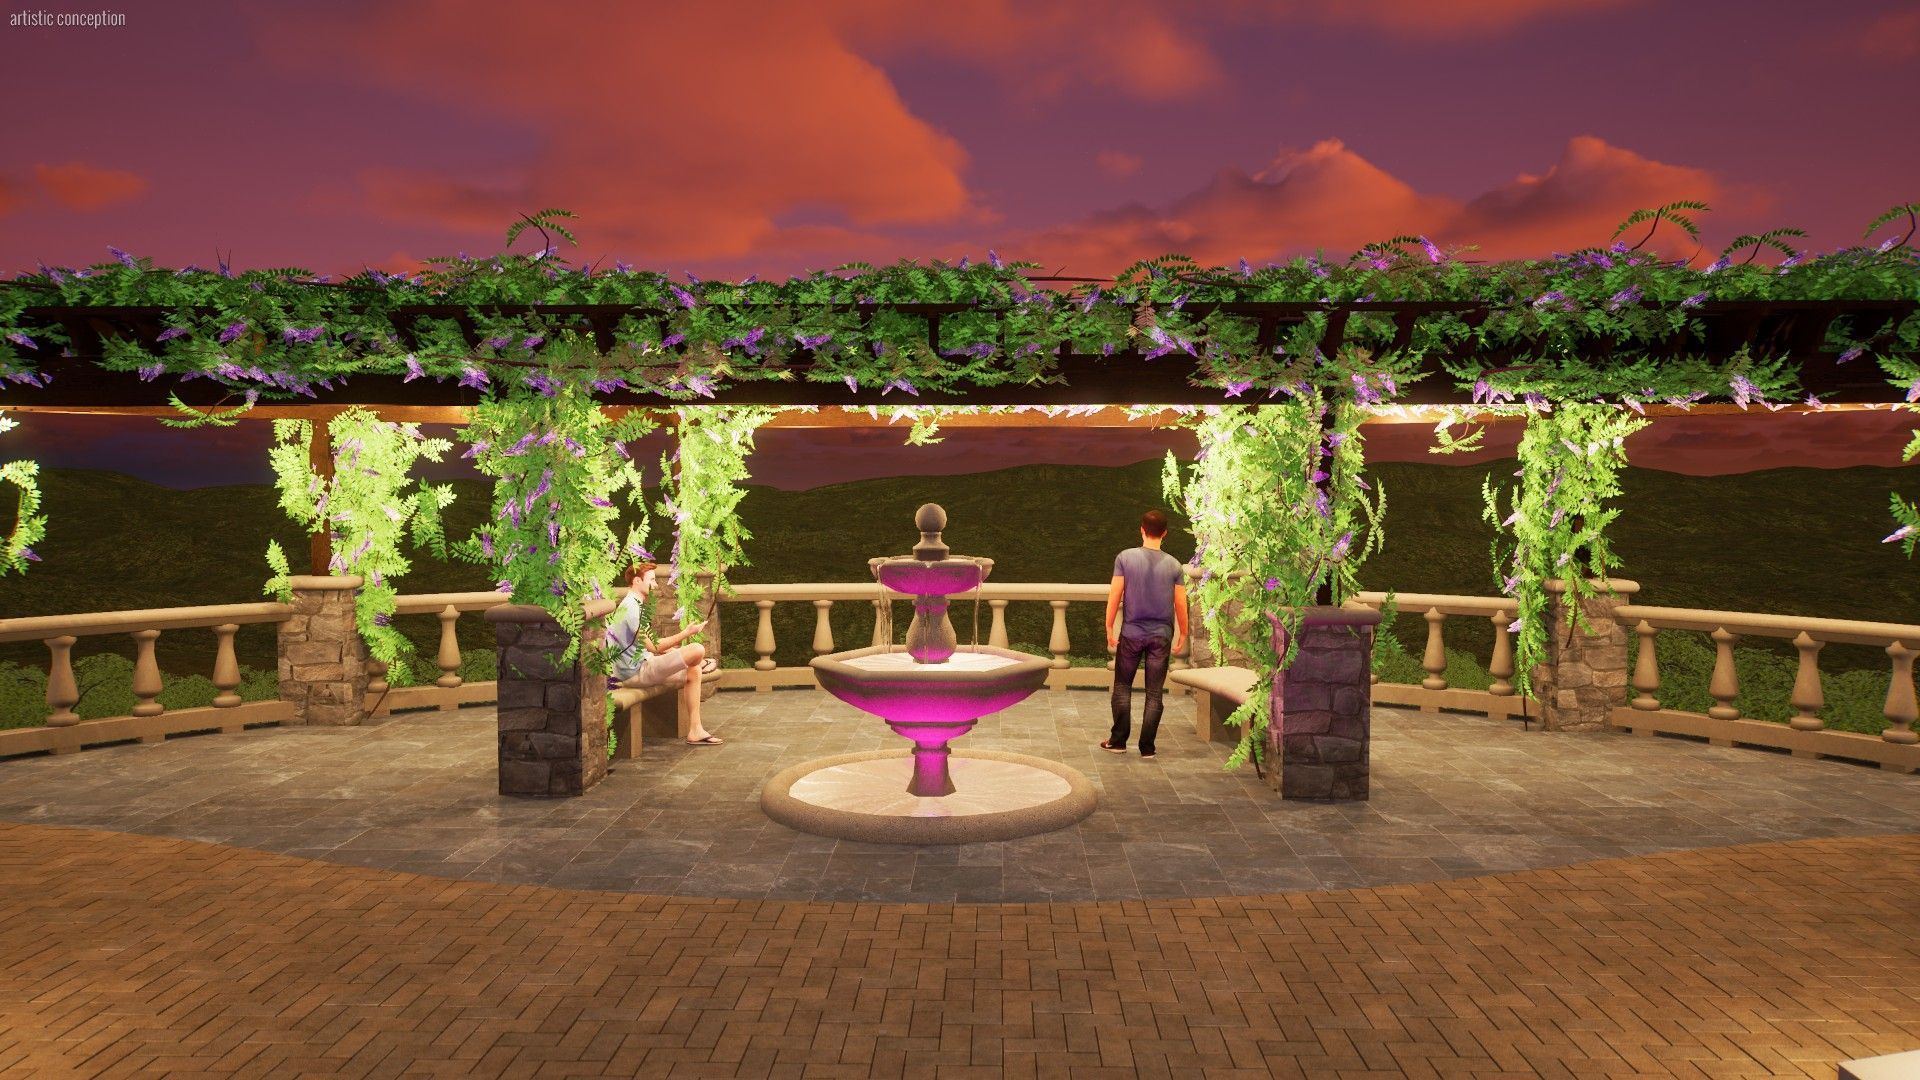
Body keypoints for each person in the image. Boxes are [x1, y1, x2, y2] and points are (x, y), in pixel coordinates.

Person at [604, 561, 724, 745]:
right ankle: (700, 661)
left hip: (642, 664)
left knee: (694, 671)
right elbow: (654, 647)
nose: (655, 585)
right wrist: (687, 633)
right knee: (697, 650)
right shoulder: (630, 609)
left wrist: (672, 651)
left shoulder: (634, 604)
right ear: (637, 581)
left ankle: (695, 730)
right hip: (635, 674)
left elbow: (644, 644)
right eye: (651, 580)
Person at [1101, 509, 1188, 759]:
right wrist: (1183, 632)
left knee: (1122, 687)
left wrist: (1109, 627)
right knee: (1154, 693)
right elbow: (1180, 604)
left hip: (1131, 632)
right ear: (1165, 533)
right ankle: (1147, 747)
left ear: (1141, 529)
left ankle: (1118, 741)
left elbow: (1115, 595)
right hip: (1161, 635)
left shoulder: (1125, 558)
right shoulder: (1174, 565)